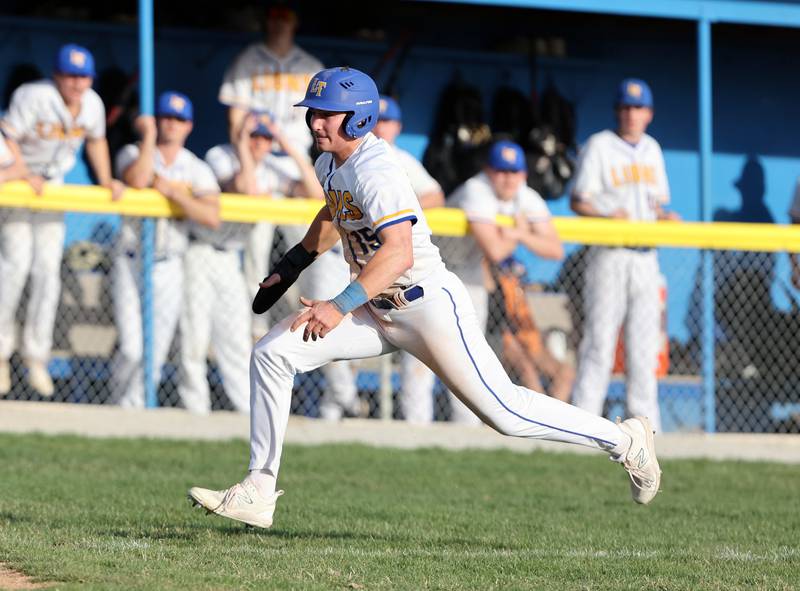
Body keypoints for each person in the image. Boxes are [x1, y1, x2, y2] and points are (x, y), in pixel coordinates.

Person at [188, 67, 662, 529]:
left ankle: (624, 441)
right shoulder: (329, 160)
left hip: (426, 306)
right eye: (313, 111)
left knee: (507, 413)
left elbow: (396, 254)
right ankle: (259, 489)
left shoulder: (378, 169)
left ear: (357, 117)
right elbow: (336, 212)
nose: (315, 121)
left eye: (326, 113)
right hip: (376, 309)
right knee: (273, 353)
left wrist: (337, 305)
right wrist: (293, 264)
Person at [0, 43, 123, 397]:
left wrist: (105, 178)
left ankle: (35, 355)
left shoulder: (94, 104)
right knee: (15, 267)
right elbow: (7, 136)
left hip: (50, 186)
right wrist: (20, 172)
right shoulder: (32, 95)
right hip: (17, 182)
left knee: (47, 273)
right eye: (70, 75)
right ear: (56, 76)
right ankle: (2, 351)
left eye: (83, 76)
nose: (77, 83)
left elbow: (97, 141)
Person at [191, 112, 324, 414]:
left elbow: (314, 192)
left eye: (266, 138)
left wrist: (287, 145)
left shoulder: (273, 164)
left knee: (235, 338)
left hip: (230, 260)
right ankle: (193, 409)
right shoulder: (221, 155)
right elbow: (247, 188)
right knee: (195, 338)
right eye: (255, 136)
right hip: (201, 251)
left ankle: (244, 409)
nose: (260, 143)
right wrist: (240, 141)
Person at [569, 78, 679, 433]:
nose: (632, 114)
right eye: (626, 107)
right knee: (599, 341)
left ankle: (646, 429)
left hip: (646, 258)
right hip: (610, 255)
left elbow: (657, 203)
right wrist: (604, 216)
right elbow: (578, 199)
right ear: (618, 111)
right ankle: (582, 422)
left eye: (638, 108)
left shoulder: (653, 149)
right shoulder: (599, 145)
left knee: (643, 348)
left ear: (649, 113)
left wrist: (665, 217)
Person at [111, 91, 220, 409]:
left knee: (154, 350)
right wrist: (147, 137)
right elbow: (138, 177)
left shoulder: (194, 166)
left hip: (168, 262)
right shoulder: (133, 151)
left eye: (179, 119)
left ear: (189, 126)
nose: (172, 124)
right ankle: (119, 405)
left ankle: (136, 411)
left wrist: (174, 193)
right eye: (166, 118)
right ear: (156, 121)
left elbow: (212, 216)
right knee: (131, 347)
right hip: (131, 259)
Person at [450, 140, 574, 411]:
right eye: (501, 171)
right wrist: (520, 236)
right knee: (443, 353)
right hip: (440, 265)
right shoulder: (477, 189)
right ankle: (421, 428)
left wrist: (519, 234)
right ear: (488, 171)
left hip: (469, 272)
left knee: (468, 350)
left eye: (514, 172)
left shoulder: (525, 195)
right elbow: (495, 251)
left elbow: (555, 249)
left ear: (524, 174)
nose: (508, 179)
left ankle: (469, 425)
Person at [373, 95, 445, 423]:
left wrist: (397, 211)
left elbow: (435, 194)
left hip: (399, 266)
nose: (380, 126)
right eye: (376, 118)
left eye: (387, 121)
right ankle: (336, 413)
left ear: (398, 127)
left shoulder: (400, 159)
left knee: (417, 353)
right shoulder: (347, 159)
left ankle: (417, 427)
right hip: (351, 262)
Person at [218, 1, 323, 151]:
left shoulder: (311, 66)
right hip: (255, 148)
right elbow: (236, 117)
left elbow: (325, 116)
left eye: (285, 16)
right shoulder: (247, 59)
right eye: (274, 16)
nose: (279, 22)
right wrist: (243, 156)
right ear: (266, 21)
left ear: (295, 21)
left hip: (295, 152)